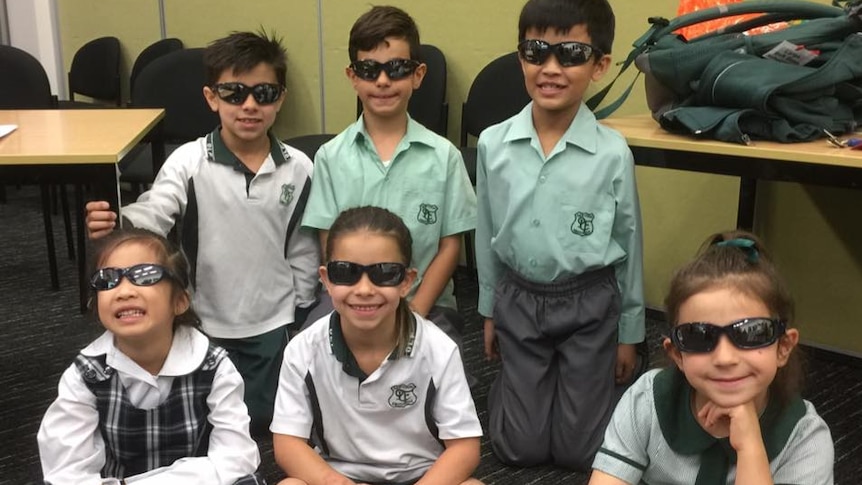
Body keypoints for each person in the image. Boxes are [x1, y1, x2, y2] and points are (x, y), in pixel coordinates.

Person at [84, 30, 319, 436]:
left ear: (280, 98)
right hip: (205, 319)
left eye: (264, 93)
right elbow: (156, 211)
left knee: (263, 421)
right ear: (212, 97)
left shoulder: (299, 168)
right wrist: (117, 222)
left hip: (272, 320)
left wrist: (299, 310)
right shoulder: (189, 161)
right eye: (234, 93)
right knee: (206, 422)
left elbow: (302, 246)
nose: (249, 105)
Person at [475, 0, 645, 470]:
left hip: (588, 305)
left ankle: (562, 389)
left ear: (600, 65)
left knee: (581, 453)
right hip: (520, 300)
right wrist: (489, 310)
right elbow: (487, 233)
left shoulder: (612, 154)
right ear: (520, 57)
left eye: (570, 53)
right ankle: (514, 385)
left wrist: (629, 332)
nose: (550, 68)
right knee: (518, 449)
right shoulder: (493, 144)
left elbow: (629, 242)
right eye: (536, 51)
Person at [590, 231, 834, 484]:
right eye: (698, 336)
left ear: (783, 347)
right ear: (677, 355)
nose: (725, 358)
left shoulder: (806, 439)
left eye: (751, 333)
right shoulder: (647, 401)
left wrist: (751, 449)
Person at [301, 6, 476, 349]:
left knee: (440, 379)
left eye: (396, 69)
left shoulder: (444, 157)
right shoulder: (331, 157)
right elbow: (328, 242)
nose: (382, 81)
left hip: (425, 302)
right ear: (353, 77)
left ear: (418, 74)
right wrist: (355, 303)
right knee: (311, 357)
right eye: (369, 70)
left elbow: (449, 247)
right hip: (350, 299)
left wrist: (415, 311)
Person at [271, 206, 483, 485]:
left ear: (406, 281)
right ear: (326, 280)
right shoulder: (302, 349)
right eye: (345, 272)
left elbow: (464, 448)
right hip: (338, 475)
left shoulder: (438, 349)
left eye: (384, 273)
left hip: (422, 476)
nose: (364, 289)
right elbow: (287, 443)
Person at [38, 228, 263, 484]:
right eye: (107, 280)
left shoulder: (213, 365)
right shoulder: (87, 374)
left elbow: (237, 457)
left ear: (179, 301)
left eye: (145, 276)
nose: (124, 292)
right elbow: (66, 472)